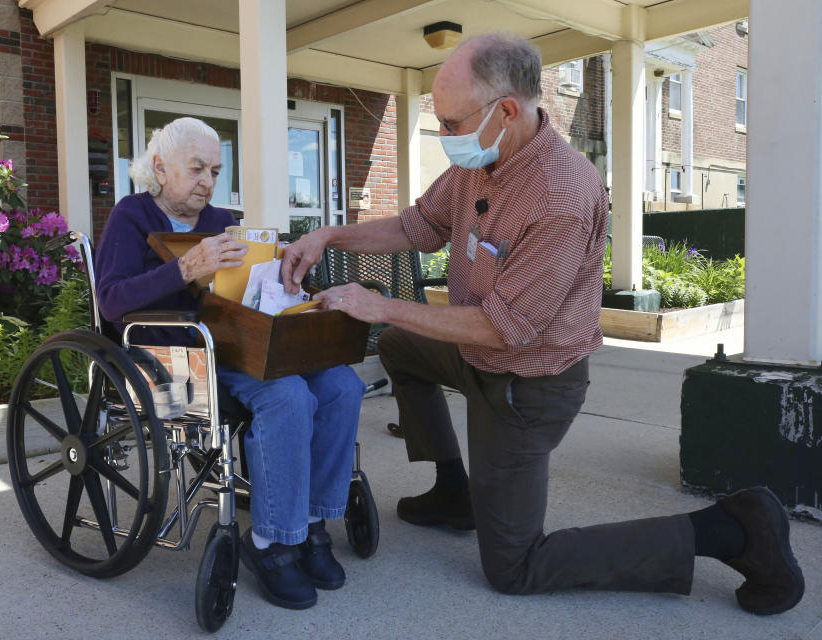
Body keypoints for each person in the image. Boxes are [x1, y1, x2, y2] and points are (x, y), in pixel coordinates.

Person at [281, 34, 804, 614]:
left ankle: (732, 530)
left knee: (514, 566)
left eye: (451, 122)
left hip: (526, 385)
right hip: (476, 353)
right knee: (403, 346)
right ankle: (457, 493)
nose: (445, 136)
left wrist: (379, 307)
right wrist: (328, 235)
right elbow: (415, 227)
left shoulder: (563, 192)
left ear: (505, 110)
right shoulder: (480, 160)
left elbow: (507, 329)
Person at [94, 117, 364, 611]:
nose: (208, 182)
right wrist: (184, 269)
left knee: (342, 385)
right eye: (196, 169)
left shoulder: (223, 220)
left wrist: (282, 281)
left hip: (237, 342)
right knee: (288, 397)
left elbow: (244, 291)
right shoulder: (131, 217)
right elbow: (111, 302)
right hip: (170, 361)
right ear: (160, 167)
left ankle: (309, 525)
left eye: (215, 171)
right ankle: (271, 543)